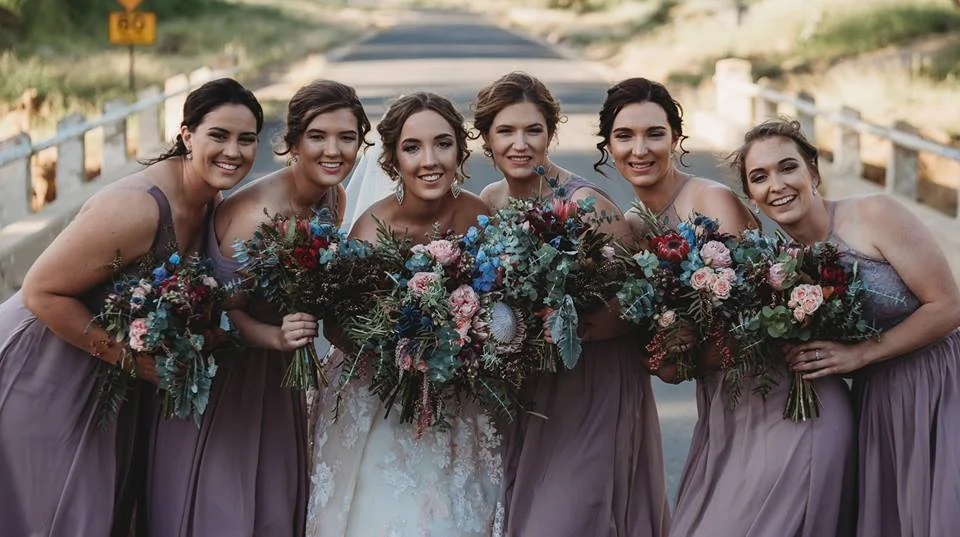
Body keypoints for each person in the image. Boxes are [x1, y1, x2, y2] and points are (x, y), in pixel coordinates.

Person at [0, 77, 263, 537]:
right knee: (54, 515)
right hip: (45, 365)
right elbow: (40, 291)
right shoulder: (138, 208)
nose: (233, 151)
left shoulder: (210, 199)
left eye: (247, 139)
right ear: (186, 136)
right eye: (219, 136)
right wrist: (132, 360)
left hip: (107, 375)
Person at [596, 78, 856, 537]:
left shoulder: (709, 200)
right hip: (727, 411)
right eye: (624, 136)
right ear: (608, 146)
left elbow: (753, 322)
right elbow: (659, 349)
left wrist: (683, 359)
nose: (640, 149)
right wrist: (664, 356)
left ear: (676, 139)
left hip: (788, 405)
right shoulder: (634, 227)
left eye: (654, 134)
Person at [144, 80, 368, 537]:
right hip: (229, 378)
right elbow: (221, 314)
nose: (334, 151)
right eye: (318, 137)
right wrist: (276, 335)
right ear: (293, 142)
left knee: (272, 504)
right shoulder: (255, 215)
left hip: (277, 378)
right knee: (226, 509)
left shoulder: (333, 198)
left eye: (347, 138)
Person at [733, 118, 960, 537]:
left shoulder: (873, 214)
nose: (777, 185)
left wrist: (861, 354)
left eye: (788, 167)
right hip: (881, 403)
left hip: (942, 382)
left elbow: (948, 306)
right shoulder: (780, 268)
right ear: (751, 197)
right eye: (760, 177)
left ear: (813, 173)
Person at [473, 71, 670, 537]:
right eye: (506, 131)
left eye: (533, 130)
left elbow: (639, 301)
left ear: (550, 134)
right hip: (532, 385)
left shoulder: (585, 203)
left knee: (569, 517)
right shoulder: (490, 200)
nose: (520, 144)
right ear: (487, 139)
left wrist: (571, 326)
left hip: (593, 381)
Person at [305, 92, 502, 537]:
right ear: (392, 159)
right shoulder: (372, 229)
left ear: (460, 150)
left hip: (459, 392)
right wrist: (401, 345)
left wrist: (467, 338)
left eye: (443, 144)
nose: (430, 161)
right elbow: (337, 326)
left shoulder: (478, 215)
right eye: (412, 148)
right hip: (379, 390)